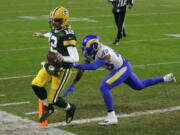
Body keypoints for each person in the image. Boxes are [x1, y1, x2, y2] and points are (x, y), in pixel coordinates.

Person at [63, 34, 177, 125]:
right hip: (121, 68)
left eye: (87, 49)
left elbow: (93, 67)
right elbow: (83, 69)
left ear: (94, 47)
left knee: (104, 86)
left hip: (123, 68)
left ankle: (111, 117)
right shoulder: (92, 52)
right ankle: (166, 78)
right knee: (139, 86)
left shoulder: (104, 52)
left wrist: (74, 65)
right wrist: (73, 84)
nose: (85, 51)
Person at [31, 6, 79, 123]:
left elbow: (75, 58)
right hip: (51, 64)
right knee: (36, 84)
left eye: (57, 20)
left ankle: (70, 107)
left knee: (54, 98)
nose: (54, 22)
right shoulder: (56, 29)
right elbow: (53, 34)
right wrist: (43, 35)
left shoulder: (68, 35)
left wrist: (62, 57)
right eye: (53, 19)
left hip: (63, 69)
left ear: (64, 21)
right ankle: (49, 107)